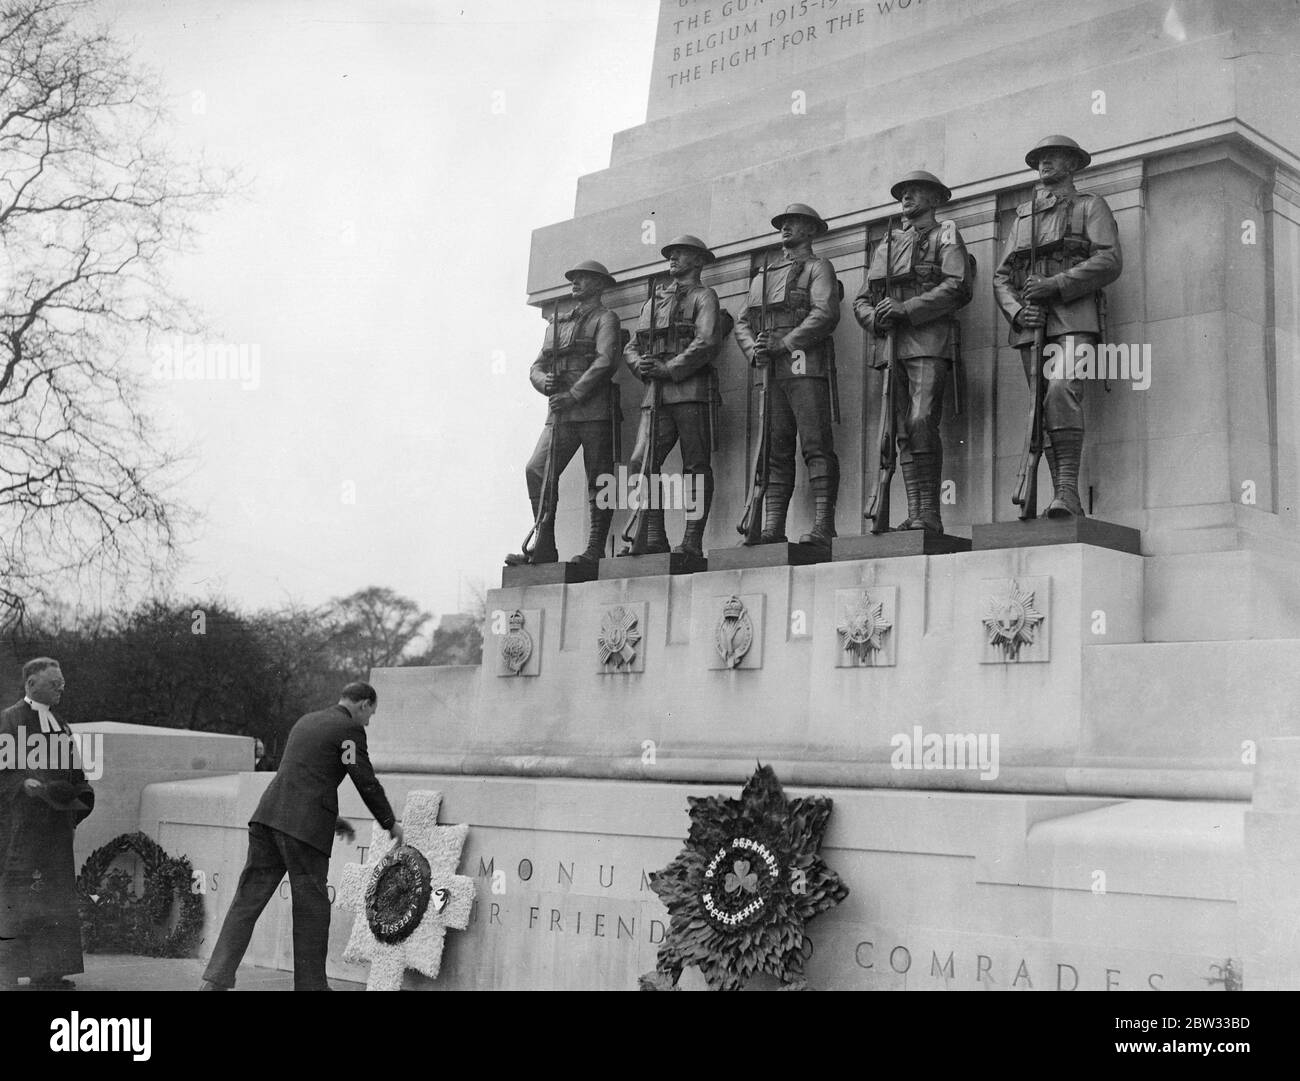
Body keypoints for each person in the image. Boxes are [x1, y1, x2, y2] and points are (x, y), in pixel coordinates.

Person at [199, 682, 402, 991]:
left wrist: (333, 820)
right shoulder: (349, 729)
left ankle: (215, 980)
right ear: (362, 704)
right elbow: (365, 780)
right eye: (370, 714)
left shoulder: (307, 721)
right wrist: (390, 823)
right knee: (312, 910)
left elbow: (303, 779)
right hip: (303, 833)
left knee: (246, 903)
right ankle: (311, 988)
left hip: (267, 818)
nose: (369, 721)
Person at [992, 135, 1122, 518]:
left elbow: (1110, 260)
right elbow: (1002, 277)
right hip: (1032, 325)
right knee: (1041, 409)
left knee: (1061, 391)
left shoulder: (1090, 206)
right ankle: (1059, 496)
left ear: (1073, 164)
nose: (1045, 163)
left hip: (1075, 316)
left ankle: (1067, 490)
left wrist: (1057, 285)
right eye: (1040, 159)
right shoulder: (1023, 217)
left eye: (1054, 157)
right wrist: (1017, 312)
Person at [855, 170, 973, 534]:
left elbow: (957, 285)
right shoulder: (886, 244)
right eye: (903, 191)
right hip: (890, 345)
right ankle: (916, 513)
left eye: (916, 191)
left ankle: (930, 512)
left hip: (928, 339)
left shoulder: (946, 235)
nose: (906, 196)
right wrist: (874, 317)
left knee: (921, 420)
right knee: (900, 430)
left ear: (935, 199)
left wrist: (907, 309)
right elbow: (861, 299)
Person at [733, 202, 842, 551]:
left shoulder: (818, 267)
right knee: (774, 450)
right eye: (784, 223)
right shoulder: (762, 276)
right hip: (770, 368)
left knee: (815, 445)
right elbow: (742, 321)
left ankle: (824, 524)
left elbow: (824, 312)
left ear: (811, 231)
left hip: (803, 362)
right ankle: (772, 527)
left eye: (795, 223)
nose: (786, 228)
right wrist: (755, 350)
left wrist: (785, 343)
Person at [505, 259, 623, 566]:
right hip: (560, 412)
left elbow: (605, 360)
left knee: (600, 478)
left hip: (594, 409)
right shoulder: (558, 324)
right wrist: (546, 383)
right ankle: (544, 545)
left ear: (599, 285)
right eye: (575, 278)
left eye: (584, 278)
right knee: (537, 469)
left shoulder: (605, 318)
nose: (576, 282)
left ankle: (595, 547)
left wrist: (573, 394)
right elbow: (536, 366)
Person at [620, 234, 722, 557]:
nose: (673, 258)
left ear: (698, 260)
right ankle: (653, 536)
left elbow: (706, 340)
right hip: (656, 393)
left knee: (695, 466)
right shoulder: (654, 302)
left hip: (690, 390)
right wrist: (642, 366)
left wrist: (671, 368)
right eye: (671, 253)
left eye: (681, 253)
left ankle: (692, 539)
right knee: (640, 462)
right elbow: (632, 345)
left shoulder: (705, 297)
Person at [0, 657, 95, 991]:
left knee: (56, 896)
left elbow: (75, 771)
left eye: (62, 683)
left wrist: (80, 796)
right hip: (21, 829)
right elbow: (3, 771)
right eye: (54, 683)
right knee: (18, 896)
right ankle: (8, 972)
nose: (61, 688)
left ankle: (50, 971)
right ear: (30, 685)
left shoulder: (60, 723)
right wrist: (23, 784)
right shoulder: (9, 721)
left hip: (56, 826)